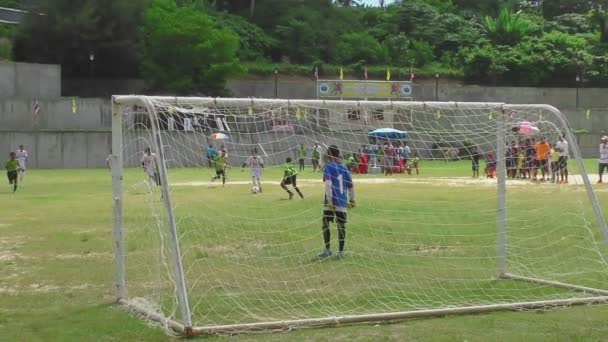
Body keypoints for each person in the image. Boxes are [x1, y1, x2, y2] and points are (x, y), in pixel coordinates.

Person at [317, 145, 355, 258]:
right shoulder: (344, 168)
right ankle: (341, 252)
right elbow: (350, 185)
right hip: (342, 201)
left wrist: (329, 200)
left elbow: (328, 183)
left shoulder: (329, 167)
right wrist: (352, 199)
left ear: (329, 155)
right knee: (341, 226)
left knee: (325, 224)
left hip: (331, 201)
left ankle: (327, 250)